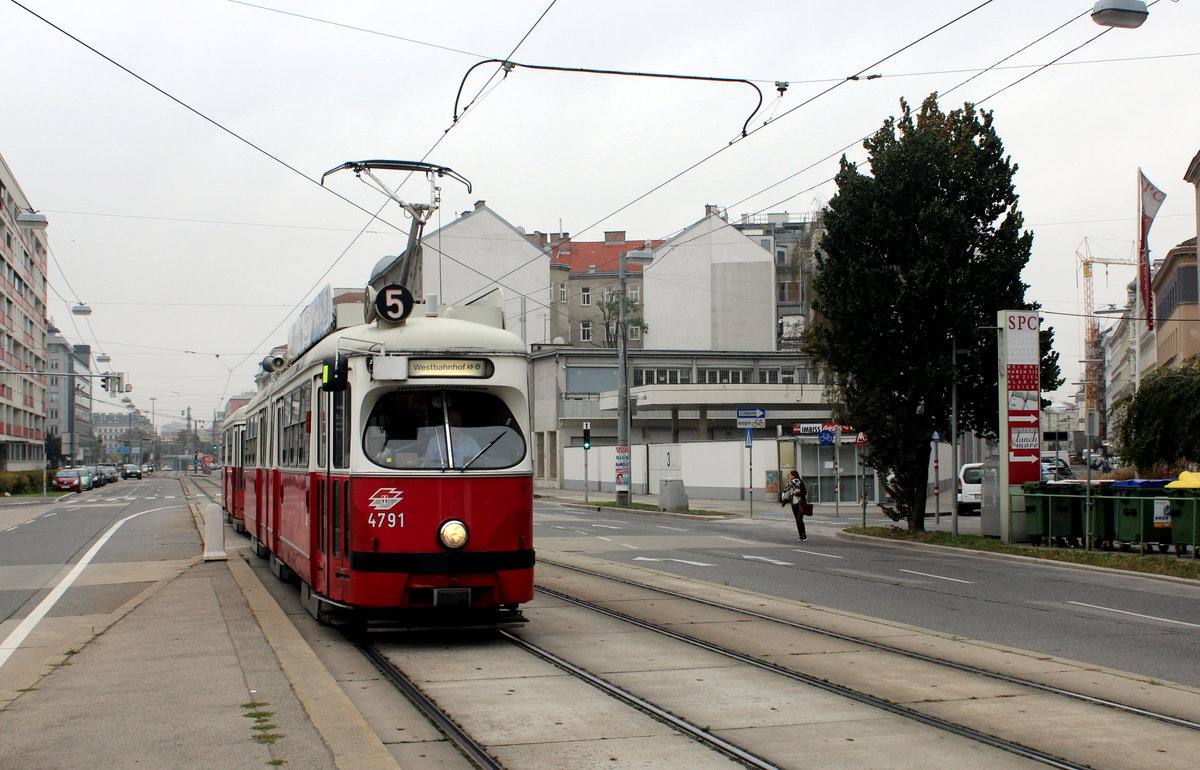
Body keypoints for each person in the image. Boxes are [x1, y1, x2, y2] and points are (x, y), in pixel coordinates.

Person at [780, 469, 809, 541]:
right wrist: (784, 503)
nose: (789, 476)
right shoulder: (789, 484)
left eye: (790, 475)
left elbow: (804, 493)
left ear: (793, 476)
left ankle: (804, 535)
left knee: (799, 519)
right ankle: (801, 535)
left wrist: (796, 493)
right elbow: (787, 494)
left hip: (800, 503)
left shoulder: (800, 482)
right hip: (793, 504)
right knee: (797, 520)